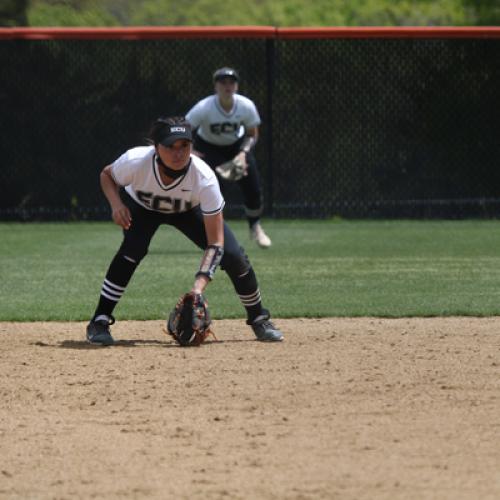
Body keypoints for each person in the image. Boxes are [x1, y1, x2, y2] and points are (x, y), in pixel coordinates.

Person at [86, 116, 283, 346]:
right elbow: (107, 175)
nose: (178, 153)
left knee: (233, 255)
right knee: (133, 249)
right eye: (171, 146)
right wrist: (116, 205)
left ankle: (259, 318)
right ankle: (99, 321)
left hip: (188, 210)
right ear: (156, 147)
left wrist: (198, 287)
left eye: (185, 146)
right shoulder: (136, 160)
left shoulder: (204, 178)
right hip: (142, 207)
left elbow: (215, 242)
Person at [185, 67, 272, 248]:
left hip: (236, 147)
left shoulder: (245, 106)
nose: (227, 86)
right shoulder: (204, 107)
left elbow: (252, 134)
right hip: (208, 147)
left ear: (237, 86)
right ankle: (209, 233)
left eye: (231, 82)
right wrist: (190, 151)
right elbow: (184, 129)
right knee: (210, 191)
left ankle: (255, 227)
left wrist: (243, 154)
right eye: (222, 82)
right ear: (215, 86)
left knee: (253, 189)